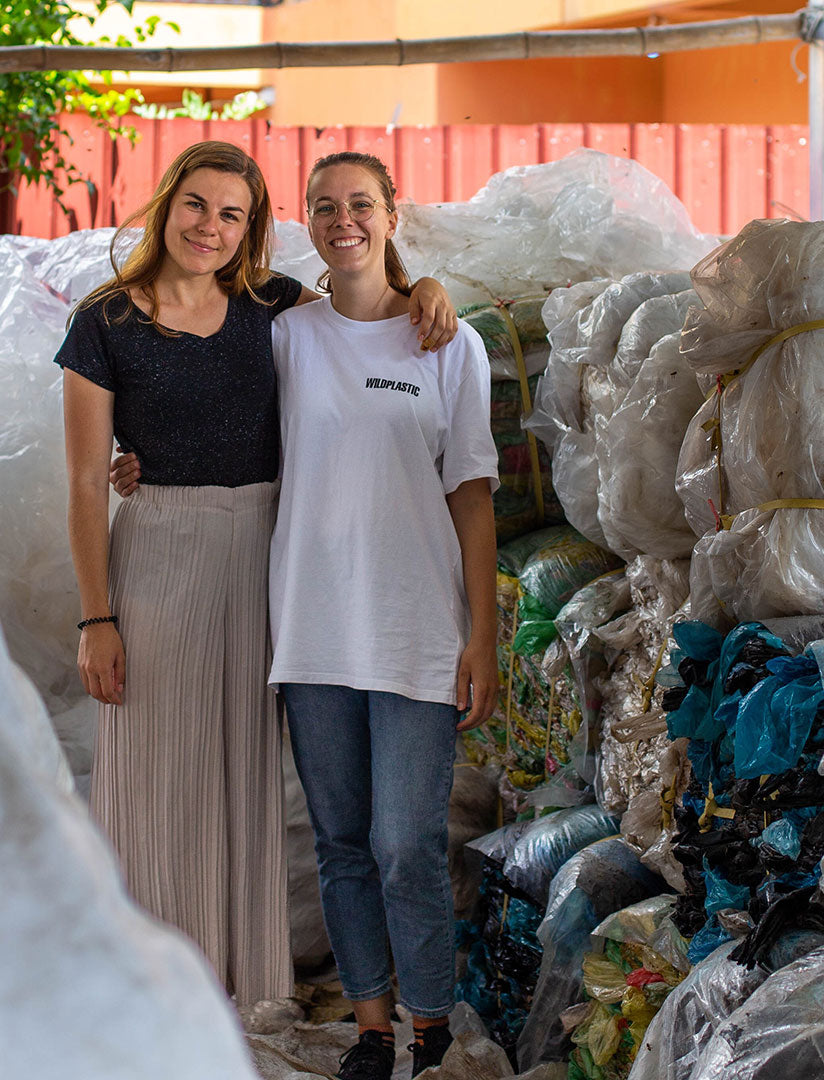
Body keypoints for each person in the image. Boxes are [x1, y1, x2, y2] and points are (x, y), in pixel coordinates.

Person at [55, 140, 456, 1007]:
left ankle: (235, 989)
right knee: (154, 772)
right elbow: (89, 479)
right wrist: (97, 616)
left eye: (233, 214)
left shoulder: (273, 305)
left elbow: (369, 320)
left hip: (273, 553)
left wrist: (424, 285)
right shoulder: (104, 323)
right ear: (168, 205)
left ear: (253, 230)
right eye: (197, 205)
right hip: (159, 552)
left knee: (242, 773)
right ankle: (148, 992)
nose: (211, 226)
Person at [268, 151, 499, 1079]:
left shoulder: (447, 342)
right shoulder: (286, 335)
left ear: (393, 214)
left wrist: (481, 634)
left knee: (406, 843)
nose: (342, 220)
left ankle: (431, 1024)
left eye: (360, 203)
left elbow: (472, 495)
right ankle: (369, 1028)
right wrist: (135, 461)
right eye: (324, 206)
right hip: (312, 629)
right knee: (343, 843)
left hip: (415, 631)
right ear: (307, 222)